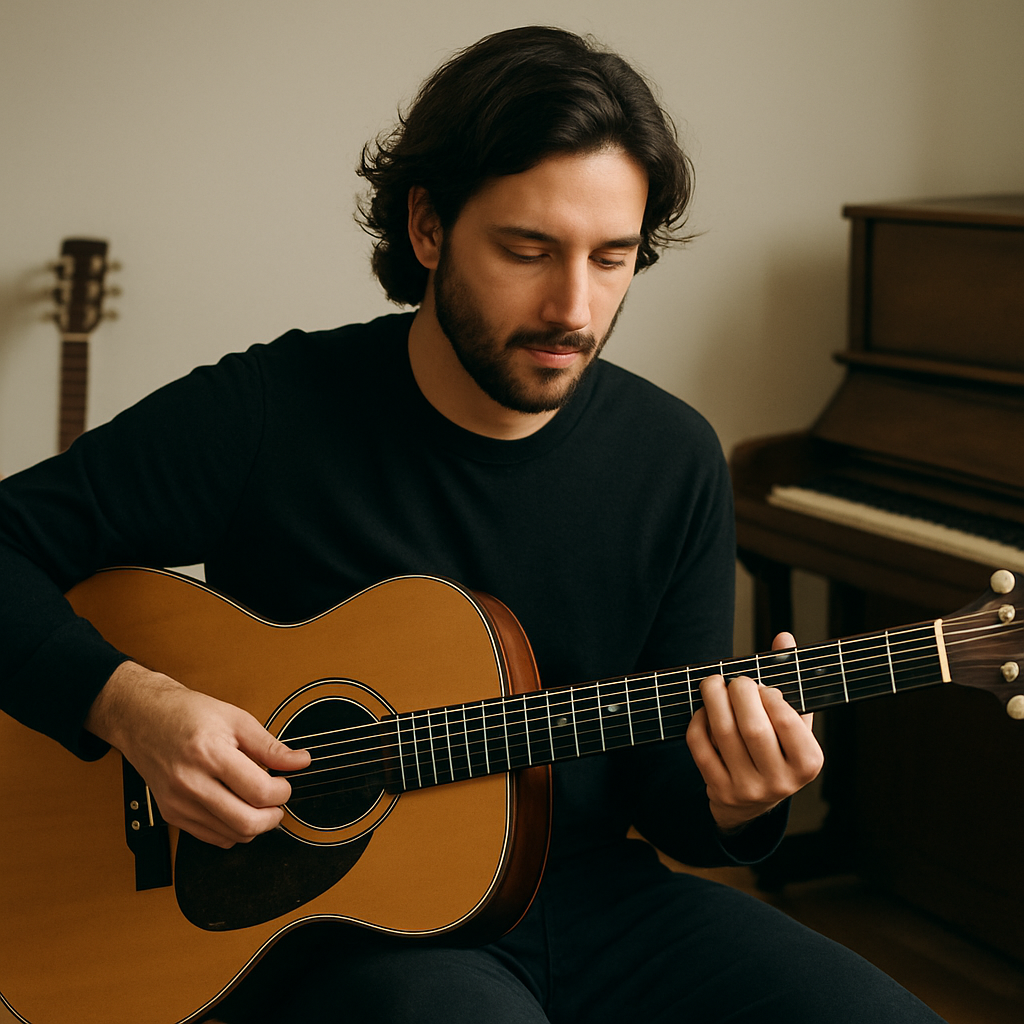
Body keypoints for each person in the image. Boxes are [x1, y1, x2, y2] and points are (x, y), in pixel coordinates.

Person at [0, 25, 945, 1024]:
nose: (572, 307)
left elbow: (669, 798)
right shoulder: (270, 411)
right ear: (427, 228)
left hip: (593, 899)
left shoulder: (672, 459)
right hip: (329, 928)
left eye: (612, 257)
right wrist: (129, 705)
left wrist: (741, 796)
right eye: (528, 250)